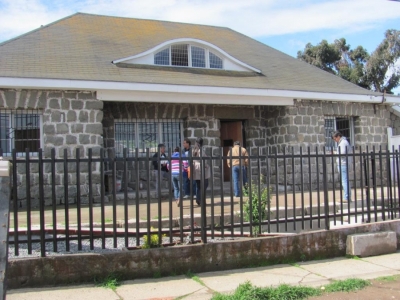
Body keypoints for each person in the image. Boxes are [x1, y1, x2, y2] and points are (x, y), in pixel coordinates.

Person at [332, 130, 352, 203]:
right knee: (345, 180)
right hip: (344, 163)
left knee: (344, 181)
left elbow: (342, 153)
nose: (335, 141)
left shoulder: (343, 143)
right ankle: (348, 196)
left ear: (338, 136)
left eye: (335, 139)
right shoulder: (343, 142)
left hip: (343, 163)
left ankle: (346, 197)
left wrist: (335, 153)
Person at [191, 137, 210, 206]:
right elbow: (203, 159)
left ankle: (198, 199)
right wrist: (206, 165)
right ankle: (201, 200)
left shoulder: (193, 149)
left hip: (195, 167)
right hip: (201, 168)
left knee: (198, 185)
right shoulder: (200, 150)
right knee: (204, 184)